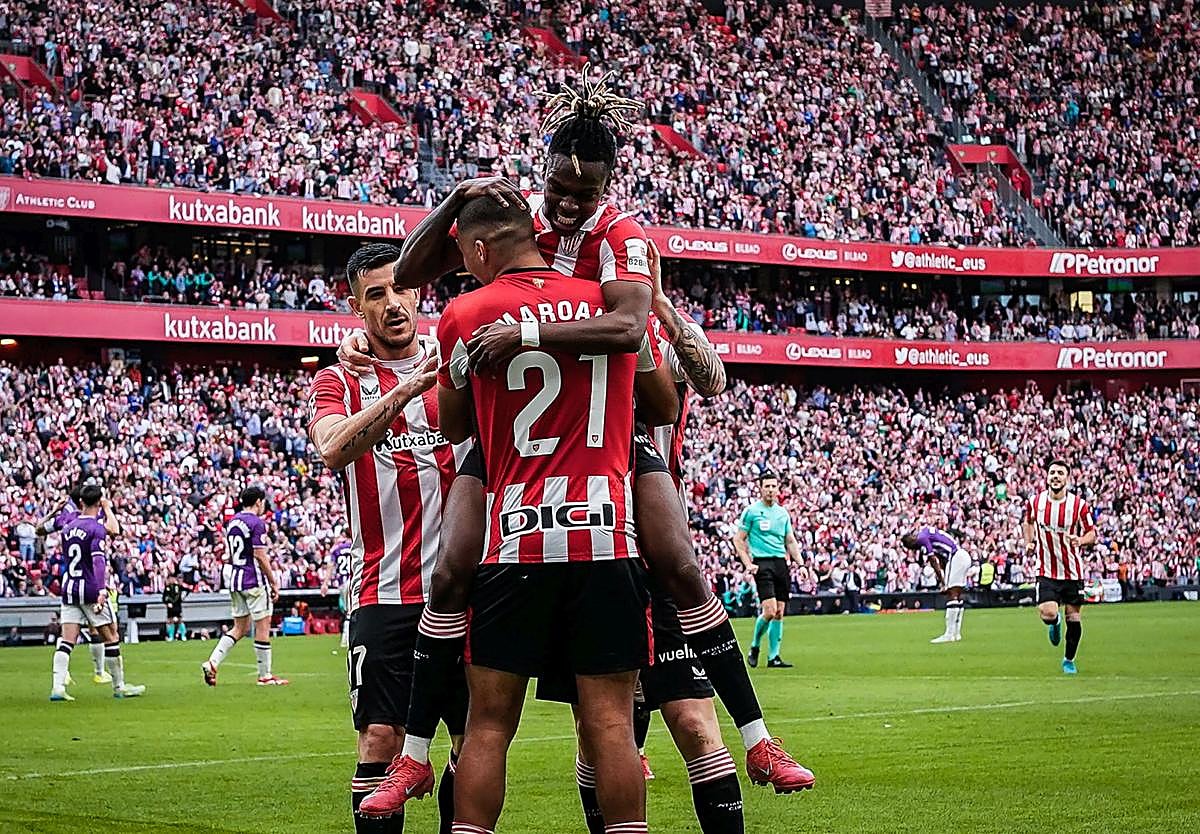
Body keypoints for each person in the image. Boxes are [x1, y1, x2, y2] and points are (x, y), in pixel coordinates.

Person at [340, 68, 813, 797]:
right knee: (451, 571)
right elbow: (411, 268)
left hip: (604, 427)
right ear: (544, 170)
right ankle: (413, 752)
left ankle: (758, 740)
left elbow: (627, 327)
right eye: (557, 186)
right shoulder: (520, 218)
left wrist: (526, 330)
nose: (565, 203)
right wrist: (460, 196)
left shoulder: (621, 236)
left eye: (582, 193)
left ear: (607, 186)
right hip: (513, 432)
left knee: (678, 564)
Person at [436, 195, 650, 834]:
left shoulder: (465, 312)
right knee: (610, 723)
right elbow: (661, 400)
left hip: (516, 536)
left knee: (488, 725)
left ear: (479, 250)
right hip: (607, 534)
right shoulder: (603, 302)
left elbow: (453, 428)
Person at [308, 243, 469, 834]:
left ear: (418, 291)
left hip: (464, 590)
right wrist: (402, 389)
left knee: (471, 738)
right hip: (383, 590)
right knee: (380, 736)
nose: (392, 303)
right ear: (357, 308)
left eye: (400, 288)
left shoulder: (457, 365)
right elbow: (332, 448)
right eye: (375, 294)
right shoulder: (337, 379)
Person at [48, 483, 145, 701]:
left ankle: (57, 687)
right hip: (90, 589)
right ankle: (119, 686)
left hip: (69, 588)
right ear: (99, 502)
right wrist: (101, 589)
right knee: (111, 637)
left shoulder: (68, 526)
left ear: (81, 501)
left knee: (67, 640)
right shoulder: (96, 528)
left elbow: (42, 528)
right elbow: (99, 560)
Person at [202, 486, 287, 686]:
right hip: (253, 580)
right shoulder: (256, 523)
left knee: (240, 628)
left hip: (235, 579)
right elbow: (260, 555)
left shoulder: (233, 521)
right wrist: (273, 581)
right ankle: (265, 675)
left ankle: (212, 662)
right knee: (262, 626)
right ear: (258, 501)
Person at [1023, 459, 1097, 674]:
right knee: (1047, 613)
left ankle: (1068, 660)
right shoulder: (1035, 502)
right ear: (1047, 477)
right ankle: (1054, 622)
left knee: (1074, 618)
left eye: (1060, 473)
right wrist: (1029, 541)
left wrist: (1080, 540)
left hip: (1072, 571)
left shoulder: (1079, 505)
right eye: (1052, 472)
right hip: (1046, 569)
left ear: (1067, 478)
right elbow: (1028, 521)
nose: (1055, 476)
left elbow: (1092, 534)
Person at [37, 488, 113, 685]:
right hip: (91, 583)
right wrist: (107, 507)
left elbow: (39, 529)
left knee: (67, 637)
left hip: (70, 584)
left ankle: (62, 677)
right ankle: (102, 674)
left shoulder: (66, 519)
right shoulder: (95, 520)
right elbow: (114, 530)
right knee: (104, 632)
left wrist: (53, 511)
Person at [733, 472, 802, 668]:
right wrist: (748, 563)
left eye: (773, 486)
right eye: (767, 486)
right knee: (770, 611)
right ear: (760, 488)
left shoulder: (782, 513)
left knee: (779, 612)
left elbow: (790, 541)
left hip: (780, 563)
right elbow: (738, 539)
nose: (770, 490)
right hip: (762, 563)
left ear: (778, 489)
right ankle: (755, 645)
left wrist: (801, 563)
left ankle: (774, 657)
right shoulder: (752, 512)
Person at [901, 527, 972, 643]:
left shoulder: (921, 539)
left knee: (952, 594)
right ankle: (956, 633)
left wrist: (943, 582)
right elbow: (941, 557)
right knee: (957, 595)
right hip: (963, 555)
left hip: (956, 557)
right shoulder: (925, 532)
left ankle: (949, 634)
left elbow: (933, 560)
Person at [163, 573, 188, 641]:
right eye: (170, 579)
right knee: (171, 621)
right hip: (170, 607)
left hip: (177, 606)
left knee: (180, 620)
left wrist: (183, 597)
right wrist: (167, 603)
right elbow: (164, 598)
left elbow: (186, 590)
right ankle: (171, 636)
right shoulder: (167, 587)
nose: (171, 580)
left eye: (172, 578)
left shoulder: (178, 586)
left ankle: (183, 635)